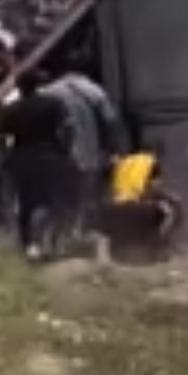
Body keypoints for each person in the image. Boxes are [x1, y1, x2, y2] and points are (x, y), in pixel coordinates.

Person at [43, 63, 126, 247]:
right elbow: (111, 119)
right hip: (86, 152)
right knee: (84, 197)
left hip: (55, 155)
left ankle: (53, 239)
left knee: (58, 198)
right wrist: (116, 150)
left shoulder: (48, 91)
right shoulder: (92, 90)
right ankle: (77, 233)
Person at [1, 70, 72, 261]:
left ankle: (29, 245)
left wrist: (5, 160)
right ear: (38, 84)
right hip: (50, 155)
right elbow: (67, 128)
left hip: (23, 158)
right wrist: (65, 151)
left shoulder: (11, 110)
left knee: (25, 204)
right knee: (55, 201)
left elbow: (1, 137)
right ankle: (54, 243)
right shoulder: (54, 104)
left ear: (19, 87)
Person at [100, 150, 182, 265]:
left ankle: (121, 252)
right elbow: (154, 187)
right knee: (170, 212)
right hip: (143, 253)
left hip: (116, 209)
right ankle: (155, 253)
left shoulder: (124, 164)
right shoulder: (149, 163)